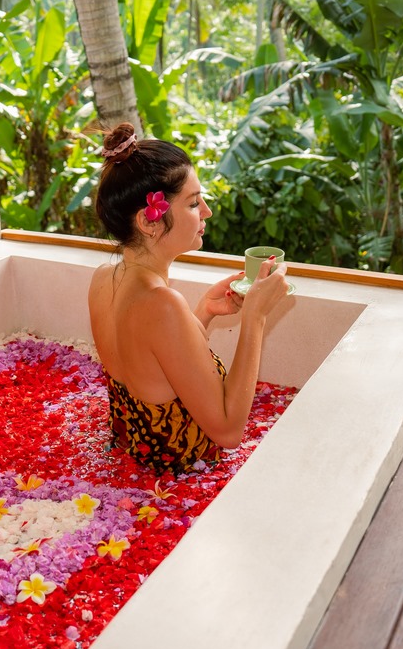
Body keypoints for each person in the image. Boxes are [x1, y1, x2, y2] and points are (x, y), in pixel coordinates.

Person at [87, 123, 290, 473]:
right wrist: (255, 317)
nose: (207, 211)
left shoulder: (104, 278)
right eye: (194, 203)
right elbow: (228, 432)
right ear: (149, 222)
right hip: (178, 478)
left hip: (134, 461)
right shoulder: (162, 304)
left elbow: (153, 367)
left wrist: (204, 312)